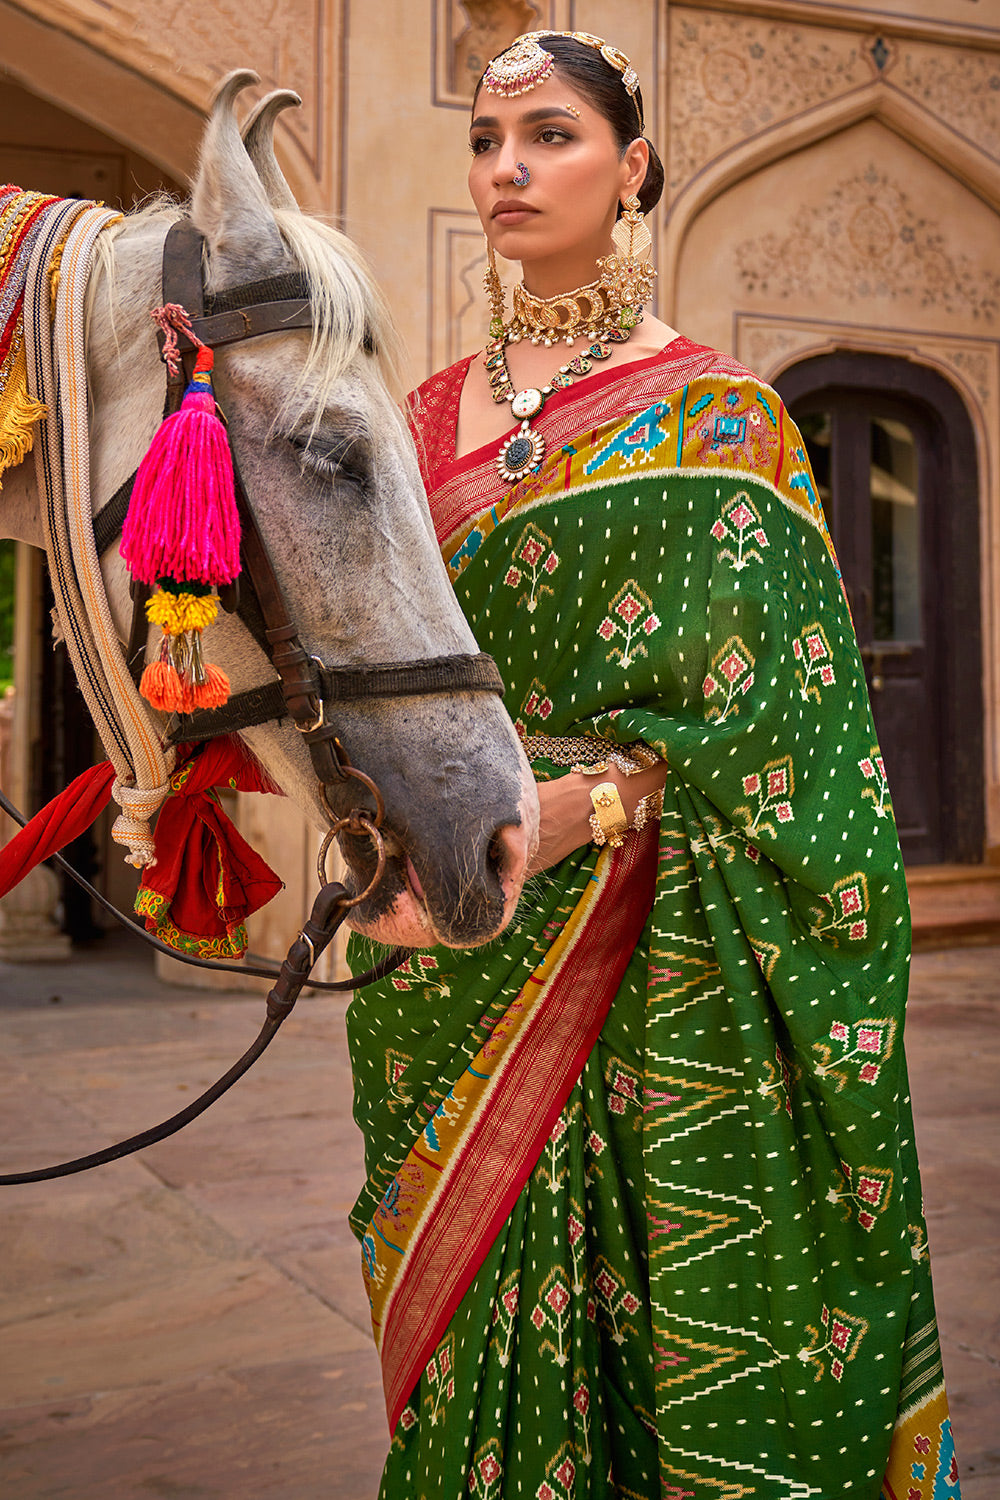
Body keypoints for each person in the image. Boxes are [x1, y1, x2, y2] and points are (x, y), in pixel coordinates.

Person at [346, 30, 960, 1500]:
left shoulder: (725, 418)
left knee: (682, 1308)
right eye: (486, 143)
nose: (507, 170)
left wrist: (591, 804)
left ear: (631, 169)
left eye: (549, 136)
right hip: (454, 940)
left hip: (657, 942)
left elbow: (791, 731)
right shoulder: (413, 424)